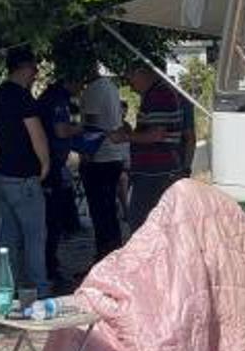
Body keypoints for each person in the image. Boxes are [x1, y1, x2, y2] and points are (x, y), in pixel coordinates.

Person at [0, 48, 52, 299]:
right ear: (24, 68)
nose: (35, 74)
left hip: (2, 173)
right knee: (35, 237)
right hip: (23, 177)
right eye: (34, 69)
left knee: (9, 237)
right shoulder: (22, 98)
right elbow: (36, 134)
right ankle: (40, 290)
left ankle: (5, 290)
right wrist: (44, 164)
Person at [113, 64, 185, 231]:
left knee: (141, 222)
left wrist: (125, 137)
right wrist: (130, 132)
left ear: (141, 73)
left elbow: (156, 135)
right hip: (153, 170)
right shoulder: (154, 94)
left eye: (130, 79)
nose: (130, 86)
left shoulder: (160, 95)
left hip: (156, 172)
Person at [36, 68, 84, 289]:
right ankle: (49, 268)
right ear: (69, 81)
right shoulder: (56, 100)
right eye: (79, 83)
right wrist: (83, 128)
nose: (81, 89)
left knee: (55, 220)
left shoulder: (56, 97)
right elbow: (62, 131)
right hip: (51, 166)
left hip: (55, 165)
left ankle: (50, 265)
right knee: (52, 221)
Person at [79, 67, 126, 263]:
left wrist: (86, 155)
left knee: (100, 213)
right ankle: (114, 253)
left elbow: (91, 126)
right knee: (109, 211)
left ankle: (104, 257)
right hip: (115, 155)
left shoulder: (92, 91)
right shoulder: (111, 86)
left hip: (99, 157)